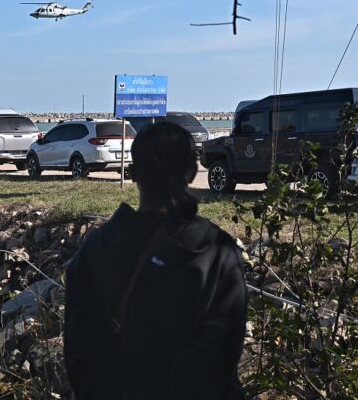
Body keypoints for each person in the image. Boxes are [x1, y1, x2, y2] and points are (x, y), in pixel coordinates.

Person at [64, 122, 247, 399]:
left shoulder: (96, 249)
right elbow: (218, 360)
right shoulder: (216, 252)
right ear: (192, 171)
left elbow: (80, 354)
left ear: (133, 173)